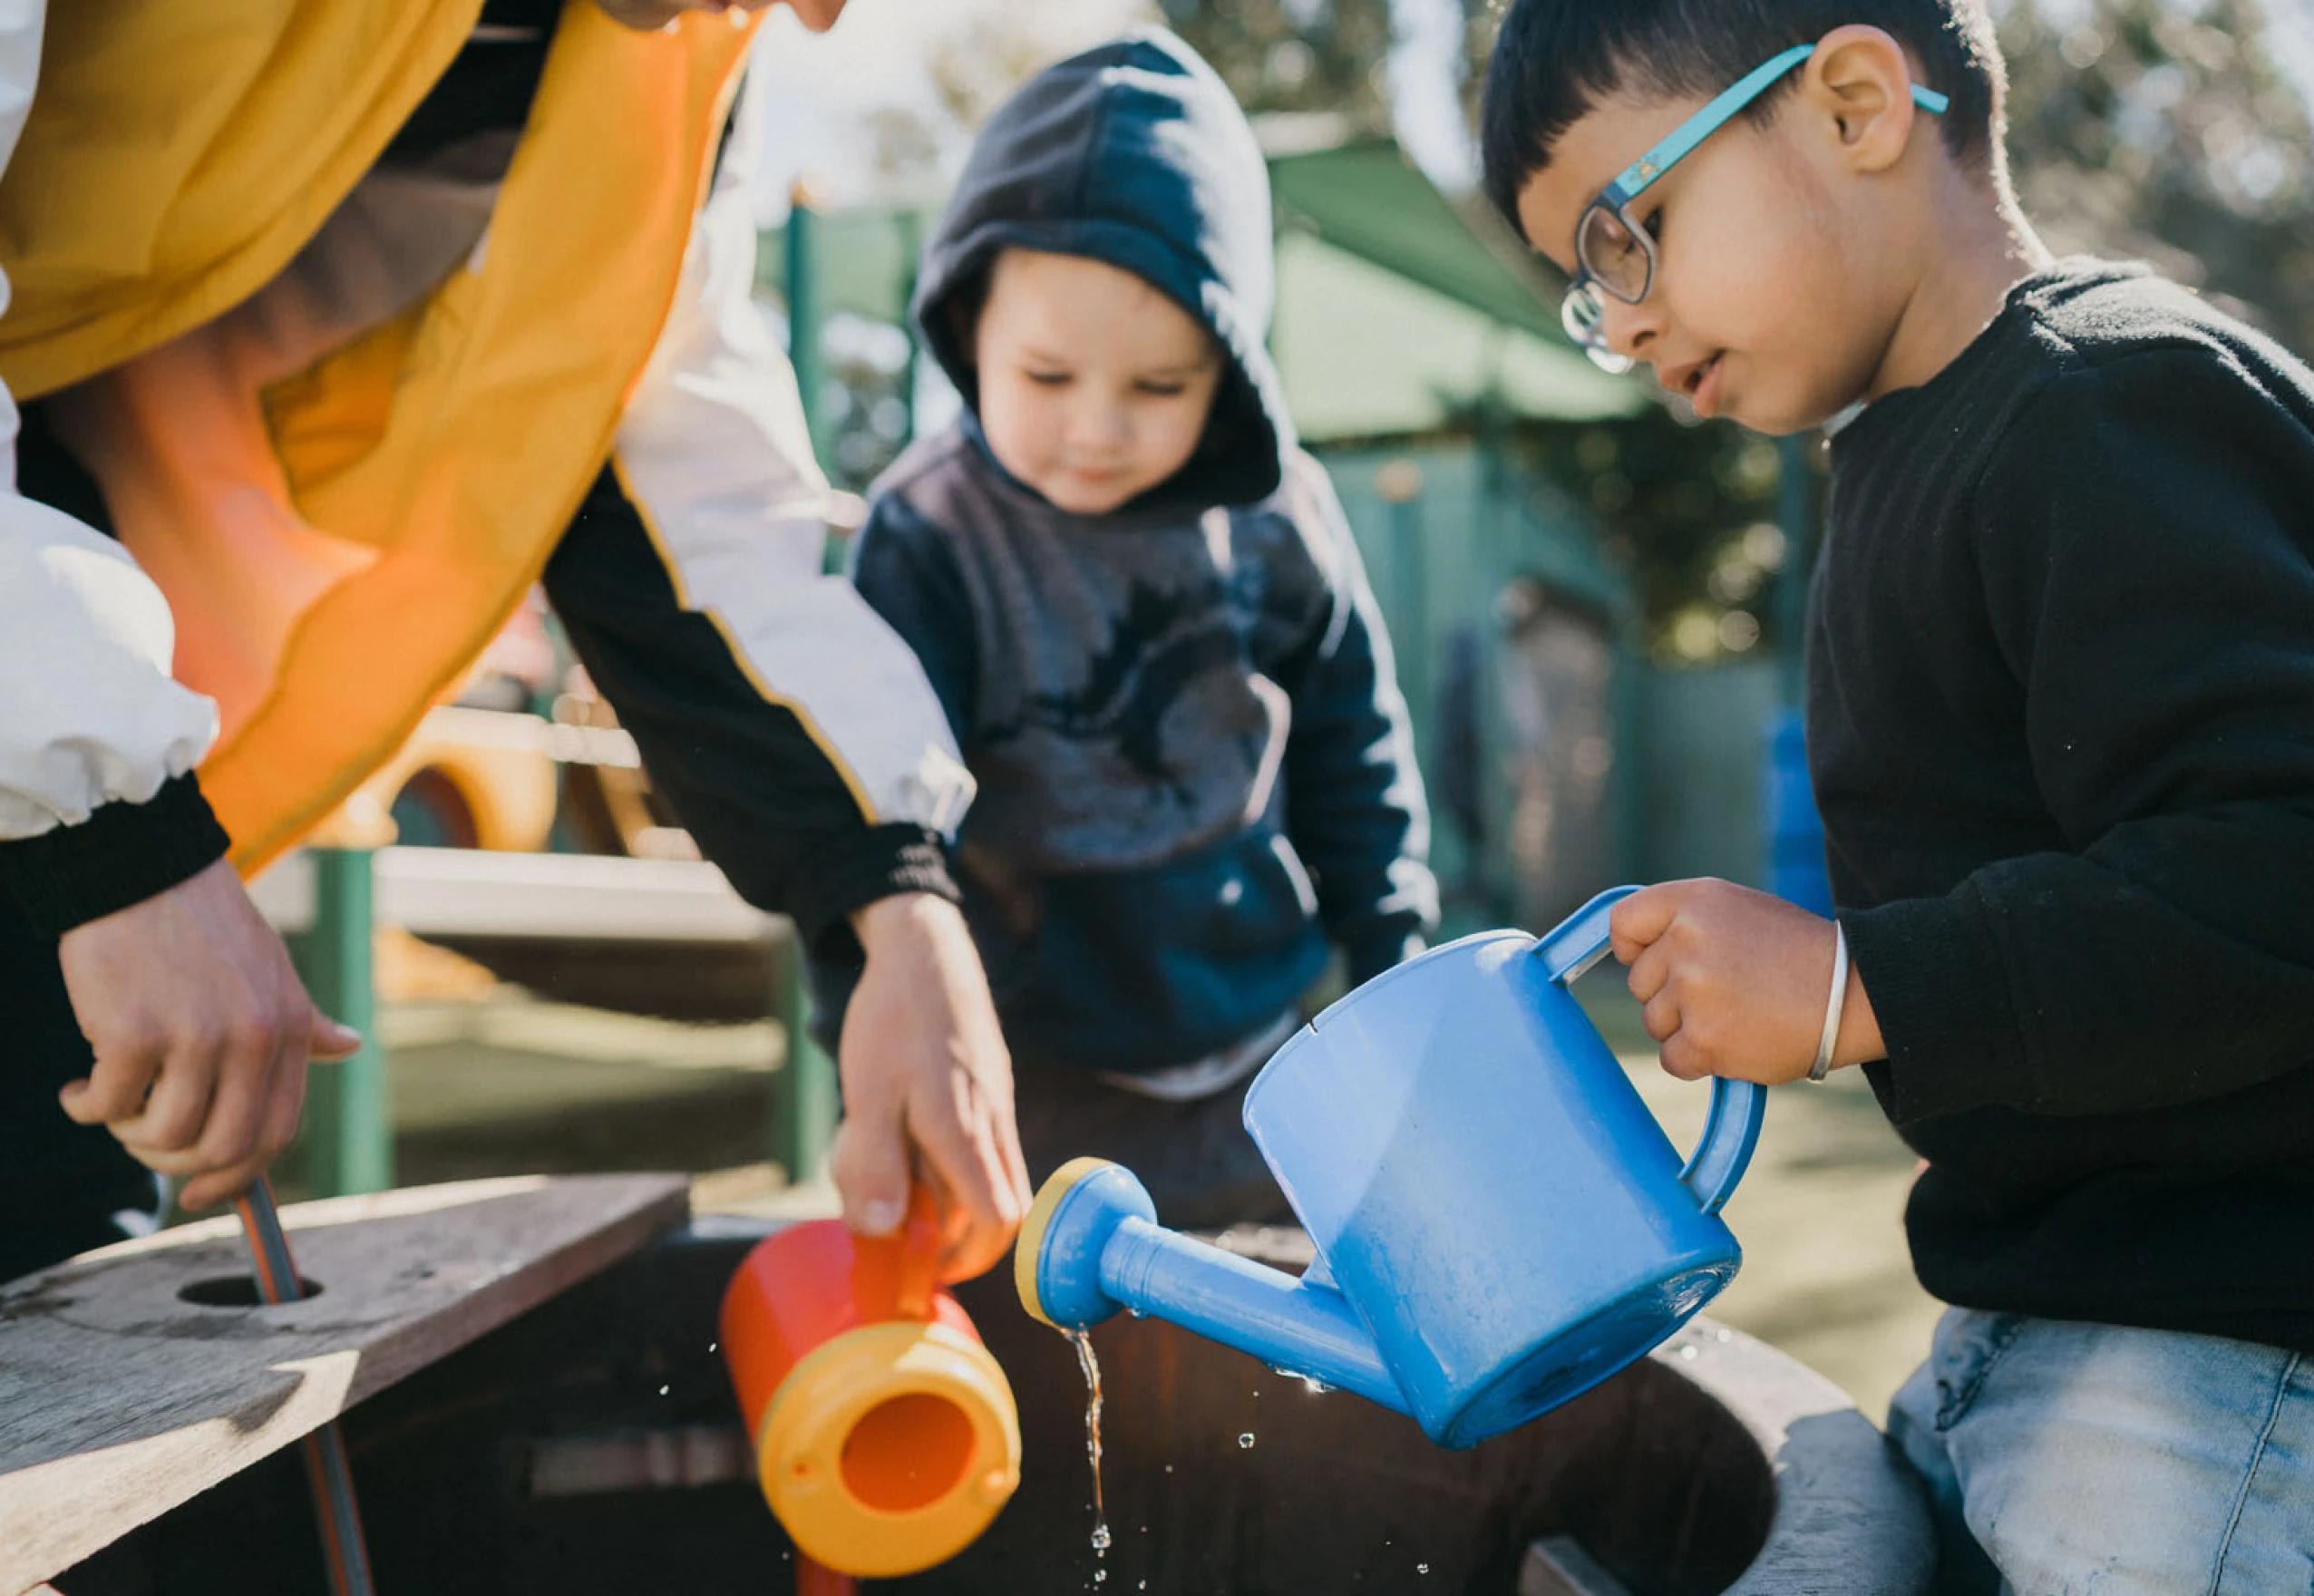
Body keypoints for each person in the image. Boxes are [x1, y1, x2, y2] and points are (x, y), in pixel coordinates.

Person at [1479, 2, 2314, 1587]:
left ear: (1856, 105)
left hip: (2223, 1359)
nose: (1622, 321)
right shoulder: (1910, 456)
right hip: (2039, 1324)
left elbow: (2283, 864)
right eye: (1587, 291)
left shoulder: (2101, 404)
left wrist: (1866, 984)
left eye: (1626, 238)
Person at [0, 0, 1026, 1287]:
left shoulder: (668, 58)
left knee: (58, 1289)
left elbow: (676, 461)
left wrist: (894, 900)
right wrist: (112, 827)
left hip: (38, 745)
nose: (816, 17)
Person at [820, 30, 1439, 1231]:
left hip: (1274, 1054)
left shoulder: (1276, 510)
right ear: (967, 330)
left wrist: (1392, 961)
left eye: (1160, 388)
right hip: (1031, 1079)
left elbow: (1353, 744)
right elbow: (871, 824)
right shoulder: (926, 533)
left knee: (1285, 1395)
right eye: (1046, 378)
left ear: (1230, 370)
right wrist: (876, 1067)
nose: (1097, 429)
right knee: (1057, 1401)